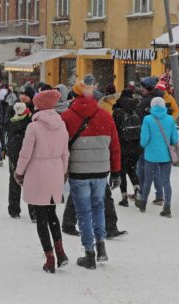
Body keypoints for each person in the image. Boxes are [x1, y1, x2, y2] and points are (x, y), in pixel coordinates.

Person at [61, 79, 122, 270]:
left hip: (79, 171)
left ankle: (89, 253)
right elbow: (115, 147)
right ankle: (101, 245)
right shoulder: (105, 115)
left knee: (84, 213)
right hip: (101, 171)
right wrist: (116, 171)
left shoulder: (67, 117)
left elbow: (62, 147)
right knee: (98, 208)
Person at [14, 89, 69, 273]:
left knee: (41, 217)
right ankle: (61, 252)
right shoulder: (61, 125)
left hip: (38, 173)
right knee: (52, 214)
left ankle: (49, 258)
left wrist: (19, 172)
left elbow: (25, 153)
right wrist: (63, 172)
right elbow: (65, 153)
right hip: (55, 172)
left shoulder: (34, 127)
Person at [136, 97, 179, 217]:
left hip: (151, 155)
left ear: (152, 106)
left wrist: (145, 145)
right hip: (166, 156)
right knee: (166, 181)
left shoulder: (147, 119)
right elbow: (174, 139)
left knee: (148, 180)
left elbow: (144, 141)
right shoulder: (170, 119)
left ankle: (143, 203)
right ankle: (167, 207)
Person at [6, 102, 36, 221]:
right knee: (28, 181)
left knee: (15, 181)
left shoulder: (12, 120)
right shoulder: (30, 120)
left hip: (16, 152)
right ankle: (32, 211)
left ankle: (14, 209)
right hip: (24, 153)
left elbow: (6, 127)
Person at [112, 89, 141, 207]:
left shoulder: (117, 111)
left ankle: (124, 198)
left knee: (122, 171)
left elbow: (114, 130)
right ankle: (138, 190)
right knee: (132, 169)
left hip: (122, 146)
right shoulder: (136, 109)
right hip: (135, 146)